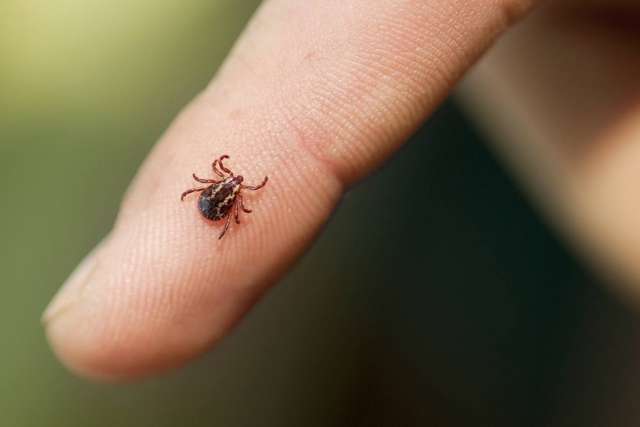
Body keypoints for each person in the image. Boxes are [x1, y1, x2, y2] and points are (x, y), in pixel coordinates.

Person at [42, 0, 640, 381]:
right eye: (227, 186)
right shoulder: (226, 193)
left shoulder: (219, 191)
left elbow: (214, 196)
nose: (227, 189)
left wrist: (222, 203)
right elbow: (220, 199)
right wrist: (228, 204)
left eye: (227, 187)